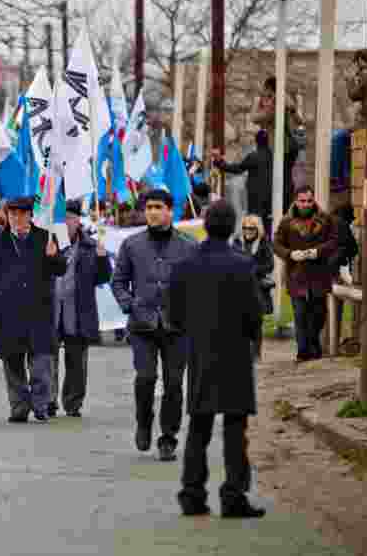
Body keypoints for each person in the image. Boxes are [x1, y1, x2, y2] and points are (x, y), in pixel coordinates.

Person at [171, 200, 266, 518]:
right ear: (231, 228)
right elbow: (255, 314)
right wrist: (253, 343)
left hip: (200, 353)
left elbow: (174, 315)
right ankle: (234, 495)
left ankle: (192, 494)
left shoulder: (186, 264)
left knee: (199, 426)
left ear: (206, 225)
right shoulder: (241, 265)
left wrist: (192, 334)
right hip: (235, 354)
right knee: (235, 429)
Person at [111, 188, 197, 461]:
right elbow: (118, 281)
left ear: (171, 211)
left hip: (177, 327)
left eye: (158, 207)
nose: (152, 212)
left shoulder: (188, 245)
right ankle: (144, 422)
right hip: (142, 325)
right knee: (146, 378)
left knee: (174, 384)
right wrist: (130, 304)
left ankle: (168, 437)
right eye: (148, 208)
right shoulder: (132, 244)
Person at [0, 196, 67, 423]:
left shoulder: (46, 238)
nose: (17, 218)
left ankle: (40, 403)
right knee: (12, 362)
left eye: (22, 214)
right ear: (7, 216)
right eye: (12, 214)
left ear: (30, 215)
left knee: (41, 363)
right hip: (8, 313)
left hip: (40, 312)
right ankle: (18, 405)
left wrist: (53, 256)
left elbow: (60, 269)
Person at [49, 199, 112, 417]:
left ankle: (73, 403)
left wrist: (103, 260)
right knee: (48, 359)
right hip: (51, 311)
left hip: (78, 312)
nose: (65, 222)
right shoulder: (50, 243)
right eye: (62, 218)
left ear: (78, 220)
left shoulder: (90, 246)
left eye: (69, 218)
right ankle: (49, 399)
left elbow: (103, 277)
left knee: (77, 362)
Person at [272, 185, 338, 362]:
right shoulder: (286, 222)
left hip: (319, 273)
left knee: (319, 313)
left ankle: (313, 344)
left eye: (309, 200)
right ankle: (303, 352)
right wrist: (290, 254)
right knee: (300, 314)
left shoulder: (325, 219)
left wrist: (317, 252)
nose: (306, 204)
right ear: (296, 201)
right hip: (296, 274)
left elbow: (333, 242)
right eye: (302, 201)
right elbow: (276, 244)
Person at [213, 128, 272, 235]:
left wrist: (219, 162)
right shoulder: (273, 156)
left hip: (255, 197)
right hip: (271, 198)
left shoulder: (253, 156)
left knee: (255, 225)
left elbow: (237, 169)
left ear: (256, 141)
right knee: (268, 225)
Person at [232, 213, 274, 327]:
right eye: (245, 228)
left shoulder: (264, 243)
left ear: (258, 229)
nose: (247, 231)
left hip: (257, 288)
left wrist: (253, 269)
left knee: (255, 327)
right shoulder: (237, 242)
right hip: (239, 288)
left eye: (251, 228)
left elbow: (269, 265)